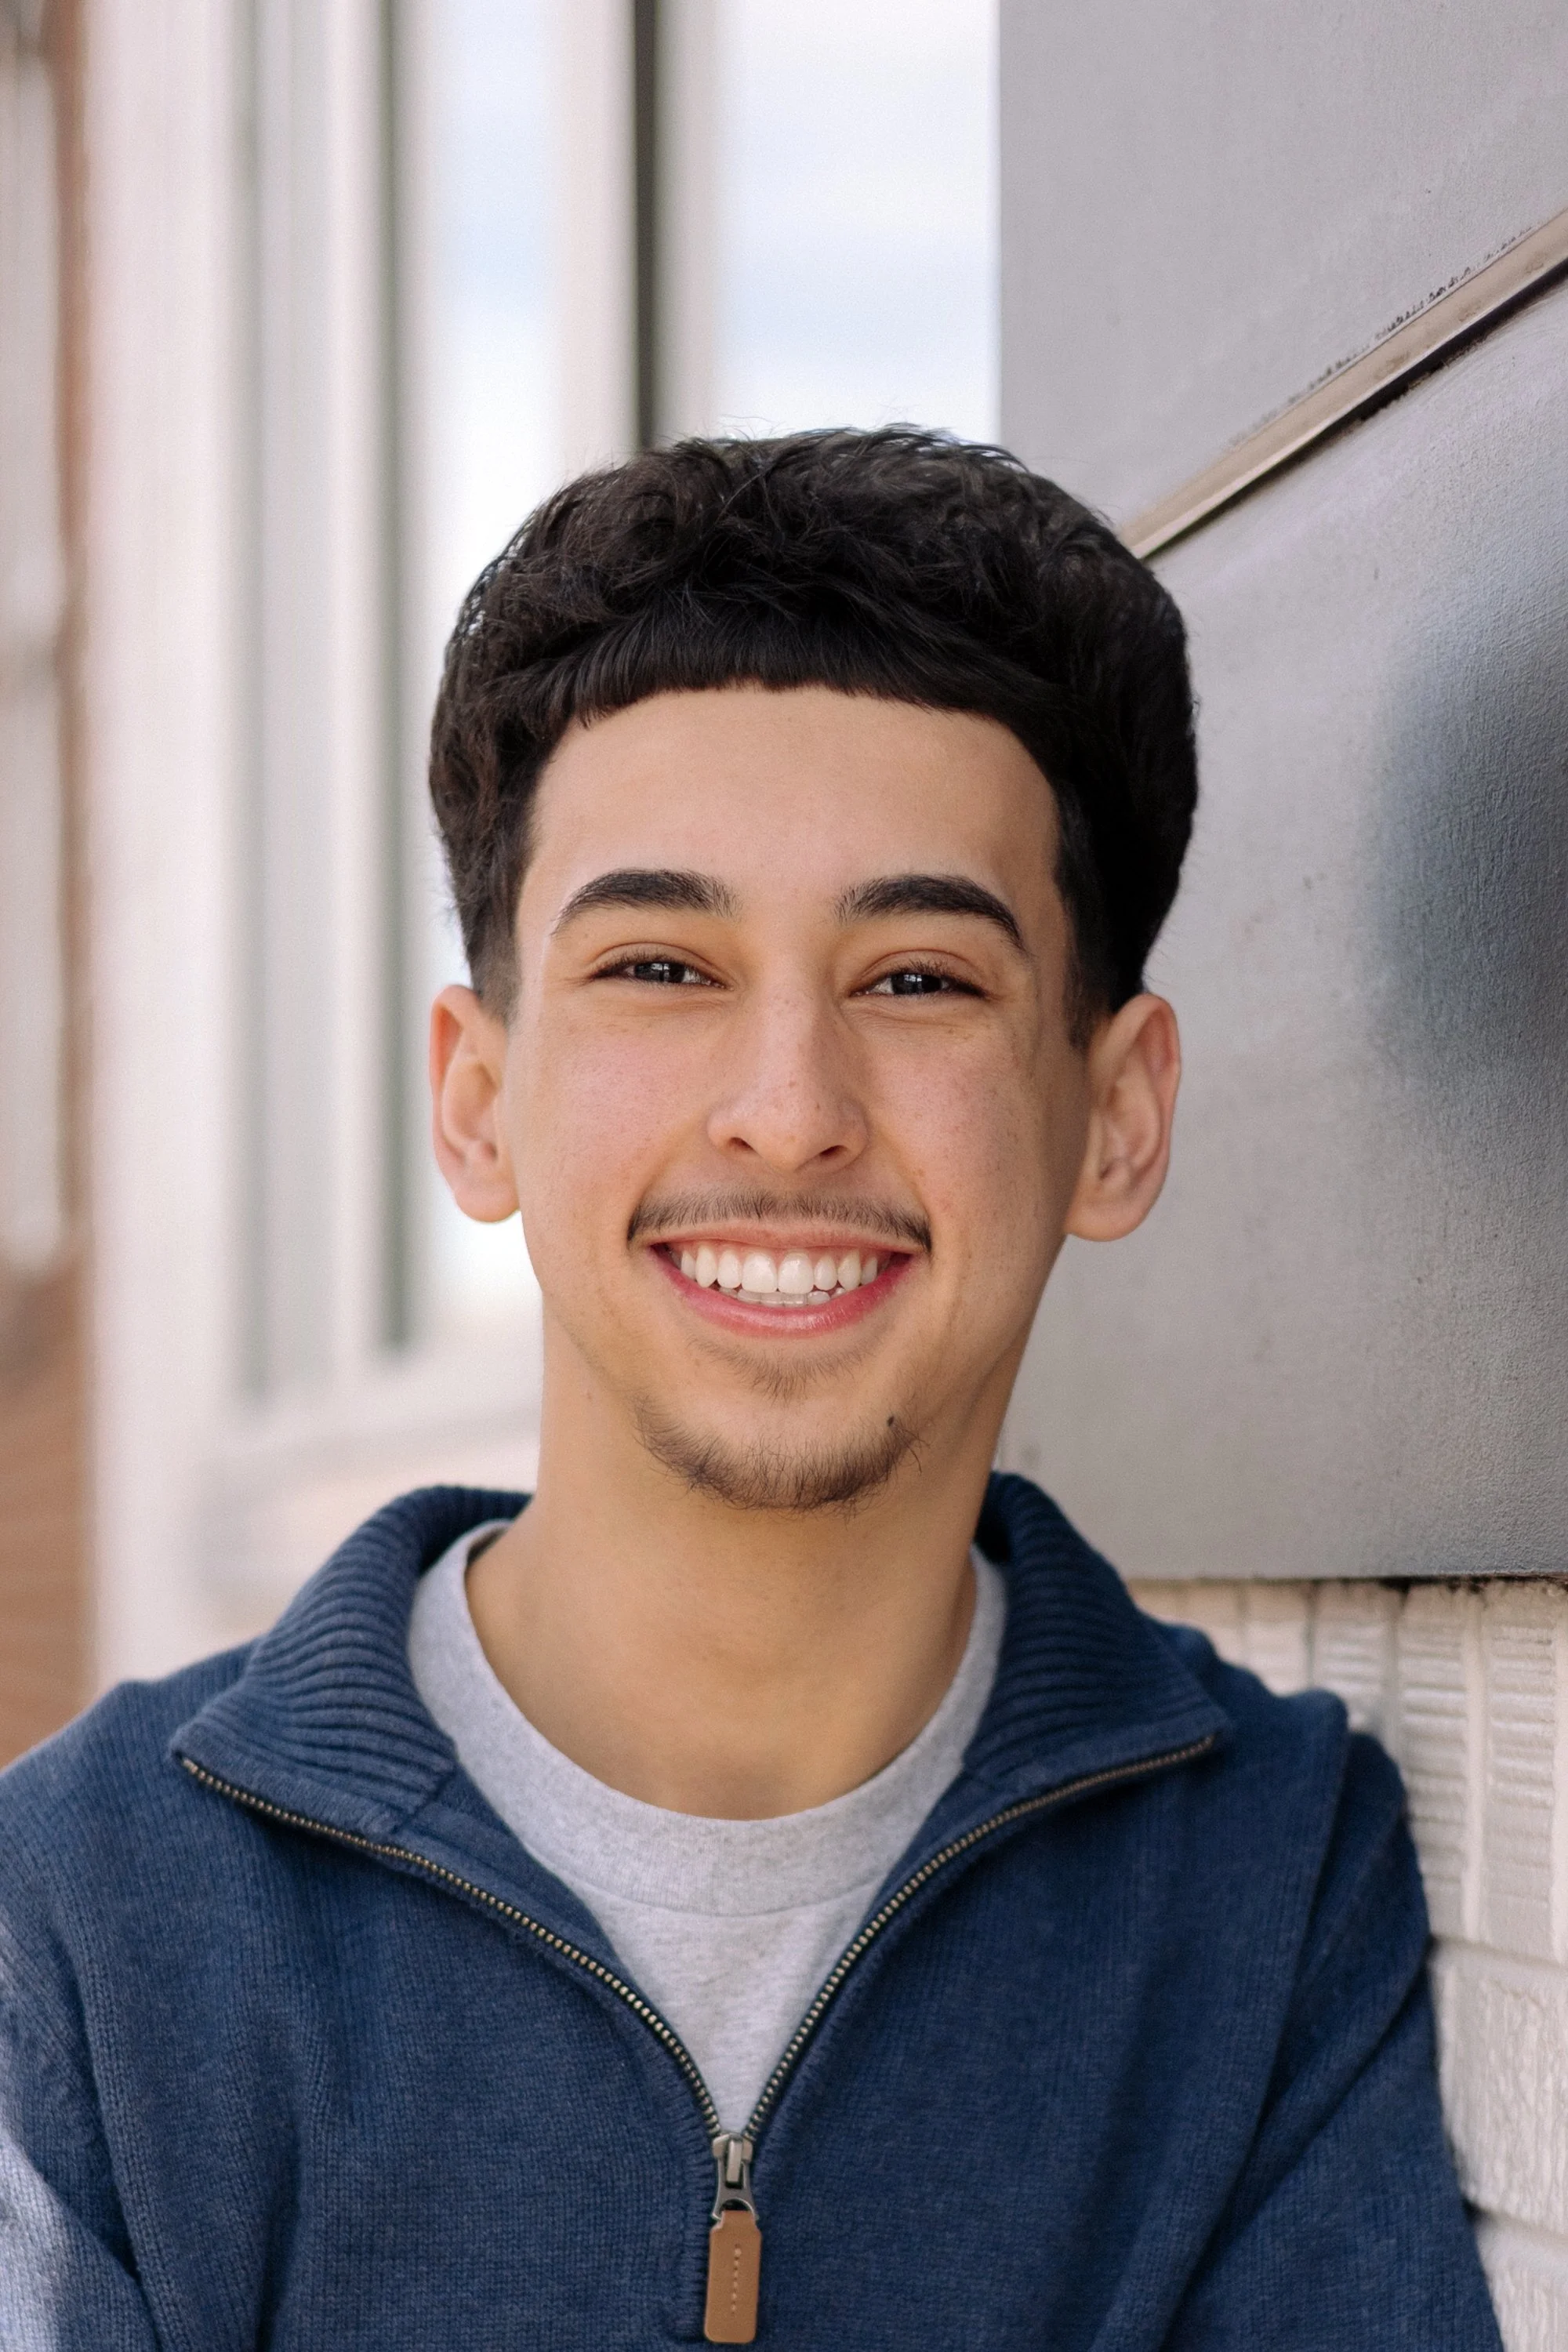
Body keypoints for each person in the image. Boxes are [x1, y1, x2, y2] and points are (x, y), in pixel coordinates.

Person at [0, 431, 1499, 2350]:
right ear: (478, 1099)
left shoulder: (1267, 1882)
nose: (787, 1109)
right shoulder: (92, 1921)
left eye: (919, 981)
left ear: (1114, 1119)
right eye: (657, 963)